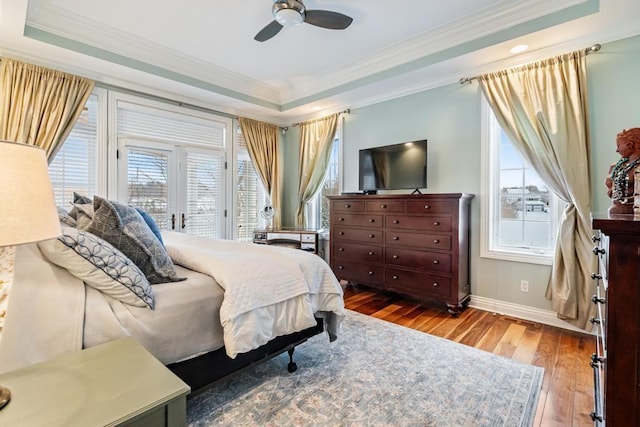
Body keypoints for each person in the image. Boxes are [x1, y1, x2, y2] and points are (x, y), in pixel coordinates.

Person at [605, 127, 640, 214]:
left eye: (618, 146)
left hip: (633, 215)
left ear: (630, 145)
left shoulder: (637, 168)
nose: (617, 150)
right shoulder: (616, 167)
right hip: (616, 213)